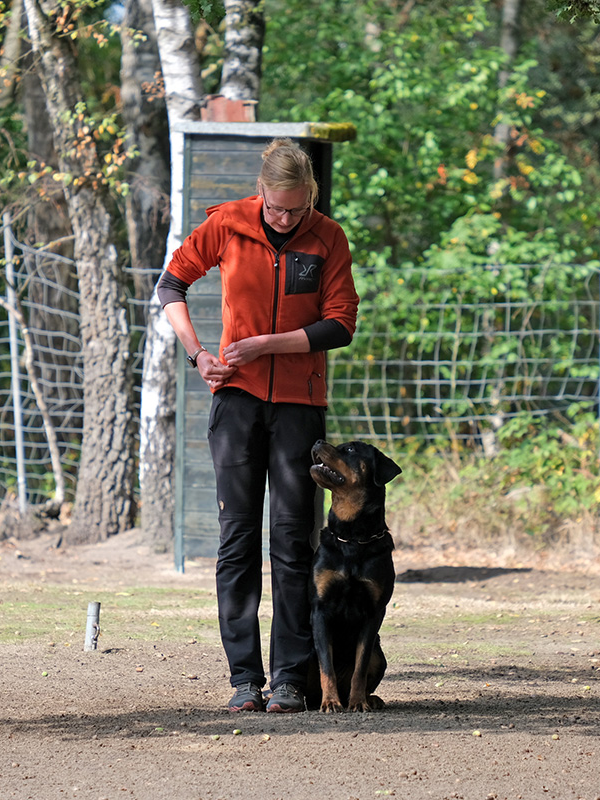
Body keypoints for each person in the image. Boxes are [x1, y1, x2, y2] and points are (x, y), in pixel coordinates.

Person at [156, 138, 359, 713]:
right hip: (237, 403)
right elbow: (171, 286)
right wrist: (199, 354)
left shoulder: (328, 237)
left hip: (300, 407)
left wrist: (268, 345)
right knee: (237, 542)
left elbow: (340, 324)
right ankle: (244, 678)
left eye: (295, 209)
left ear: (310, 197)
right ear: (262, 192)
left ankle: (292, 677)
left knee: (295, 544)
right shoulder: (226, 225)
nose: (284, 218)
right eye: (275, 207)